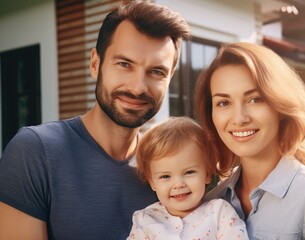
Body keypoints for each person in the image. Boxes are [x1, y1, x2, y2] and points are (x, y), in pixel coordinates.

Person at [0, 0, 190, 239]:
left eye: (156, 71)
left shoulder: (168, 168)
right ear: (95, 63)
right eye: (124, 64)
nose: (137, 87)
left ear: (170, 77)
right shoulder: (35, 151)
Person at [195, 42, 305, 239]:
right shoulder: (211, 203)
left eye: (254, 99)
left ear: (281, 106)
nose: (239, 118)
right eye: (223, 103)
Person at [127, 116, 248, 240]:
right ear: (152, 182)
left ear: (207, 174)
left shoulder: (219, 213)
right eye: (165, 176)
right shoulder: (145, 220)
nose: (178, 184)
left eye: (189, 172)